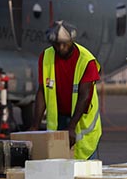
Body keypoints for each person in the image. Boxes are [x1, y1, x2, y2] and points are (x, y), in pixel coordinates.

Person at [29, 21, 102, 159]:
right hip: (59, 119)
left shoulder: (86, 60)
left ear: (72, 41)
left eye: (65, 43)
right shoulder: (46, 57)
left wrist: (72, 126)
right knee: (58, 169)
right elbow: (42, 92)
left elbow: (84, 96)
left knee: (85, 171)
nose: (61, 47)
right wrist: (35, 125)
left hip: (82, 122)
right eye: (57, 44)